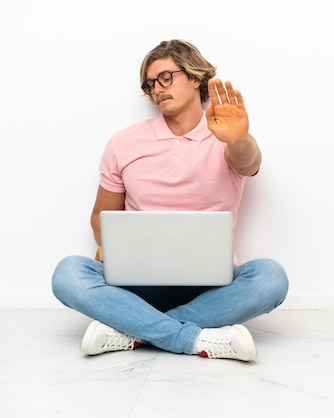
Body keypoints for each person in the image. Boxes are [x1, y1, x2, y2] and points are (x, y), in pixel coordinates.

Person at [51, 39, 289, 362]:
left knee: (271, 279)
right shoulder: (123, 143)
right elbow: (100, 216)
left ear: (195, 78)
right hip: (137, 286)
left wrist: (240, 139)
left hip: (212, 288)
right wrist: (108, 243)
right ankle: (193, 337)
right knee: (67, 274)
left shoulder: (225, 136)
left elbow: (248, 162)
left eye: (166, 77)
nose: (158, 89)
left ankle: (131, 330)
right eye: (151, 84)